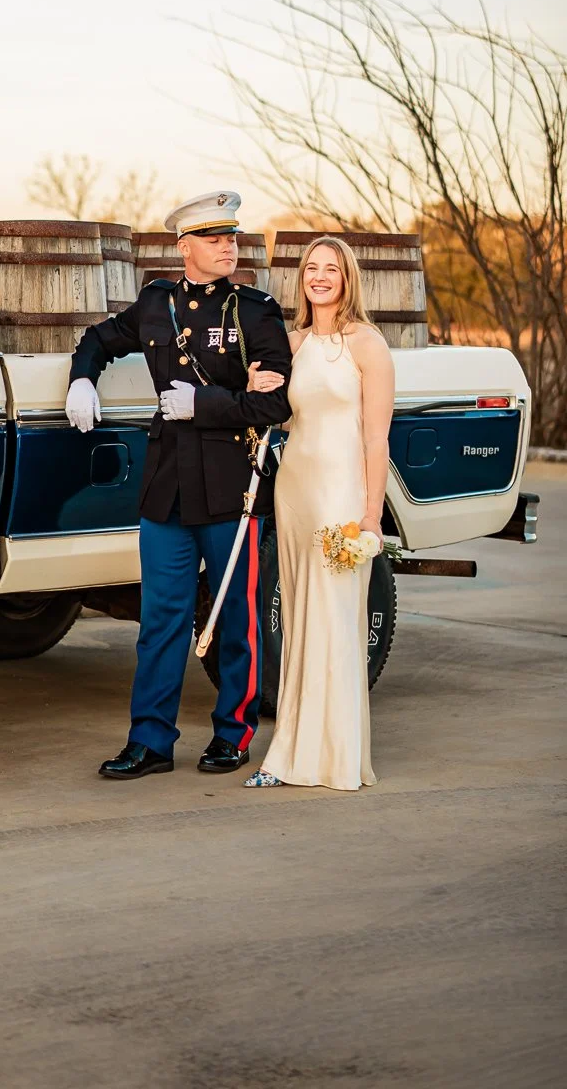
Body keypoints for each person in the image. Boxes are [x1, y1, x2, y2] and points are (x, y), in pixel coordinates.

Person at [66, 190, 292, 779]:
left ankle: (233, 733)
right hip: (166, 489)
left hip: (230, 489)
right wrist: (82, 380)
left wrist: (206, 403)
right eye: (215, 239)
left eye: (232, 237)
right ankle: (151, 740)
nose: (228, 247)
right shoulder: (156, 304)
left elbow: (277, 405)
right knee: (161, 619)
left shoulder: (254, 311)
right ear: (183, 246)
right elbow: (98, 339)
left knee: (234, 623)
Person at [244, 236, 395, 791]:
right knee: (300, 621)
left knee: (334, 620)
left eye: (331, 268)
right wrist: (254, 384)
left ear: (347, 278)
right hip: (295, 491)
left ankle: (334, 757)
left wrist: (371, 516)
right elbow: (281, 417)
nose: (321, 276)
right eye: (312, 267)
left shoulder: (367, 344)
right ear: (301, 278)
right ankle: (289, 751)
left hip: (340, 495)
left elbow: (376, 438)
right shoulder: (293, 342)